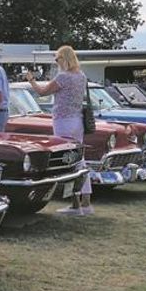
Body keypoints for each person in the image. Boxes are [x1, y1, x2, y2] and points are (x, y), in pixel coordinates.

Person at [27, 45, 92, 215]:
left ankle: (75, 204)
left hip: (62, 121)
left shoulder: (63, 77)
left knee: (67, 161)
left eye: (57, 59)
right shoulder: (81, 76)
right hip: (77, 121)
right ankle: (86, 201)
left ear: (64, 59)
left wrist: (31, 80)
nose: (56, 62)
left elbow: (42, 92)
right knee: (80, 159)